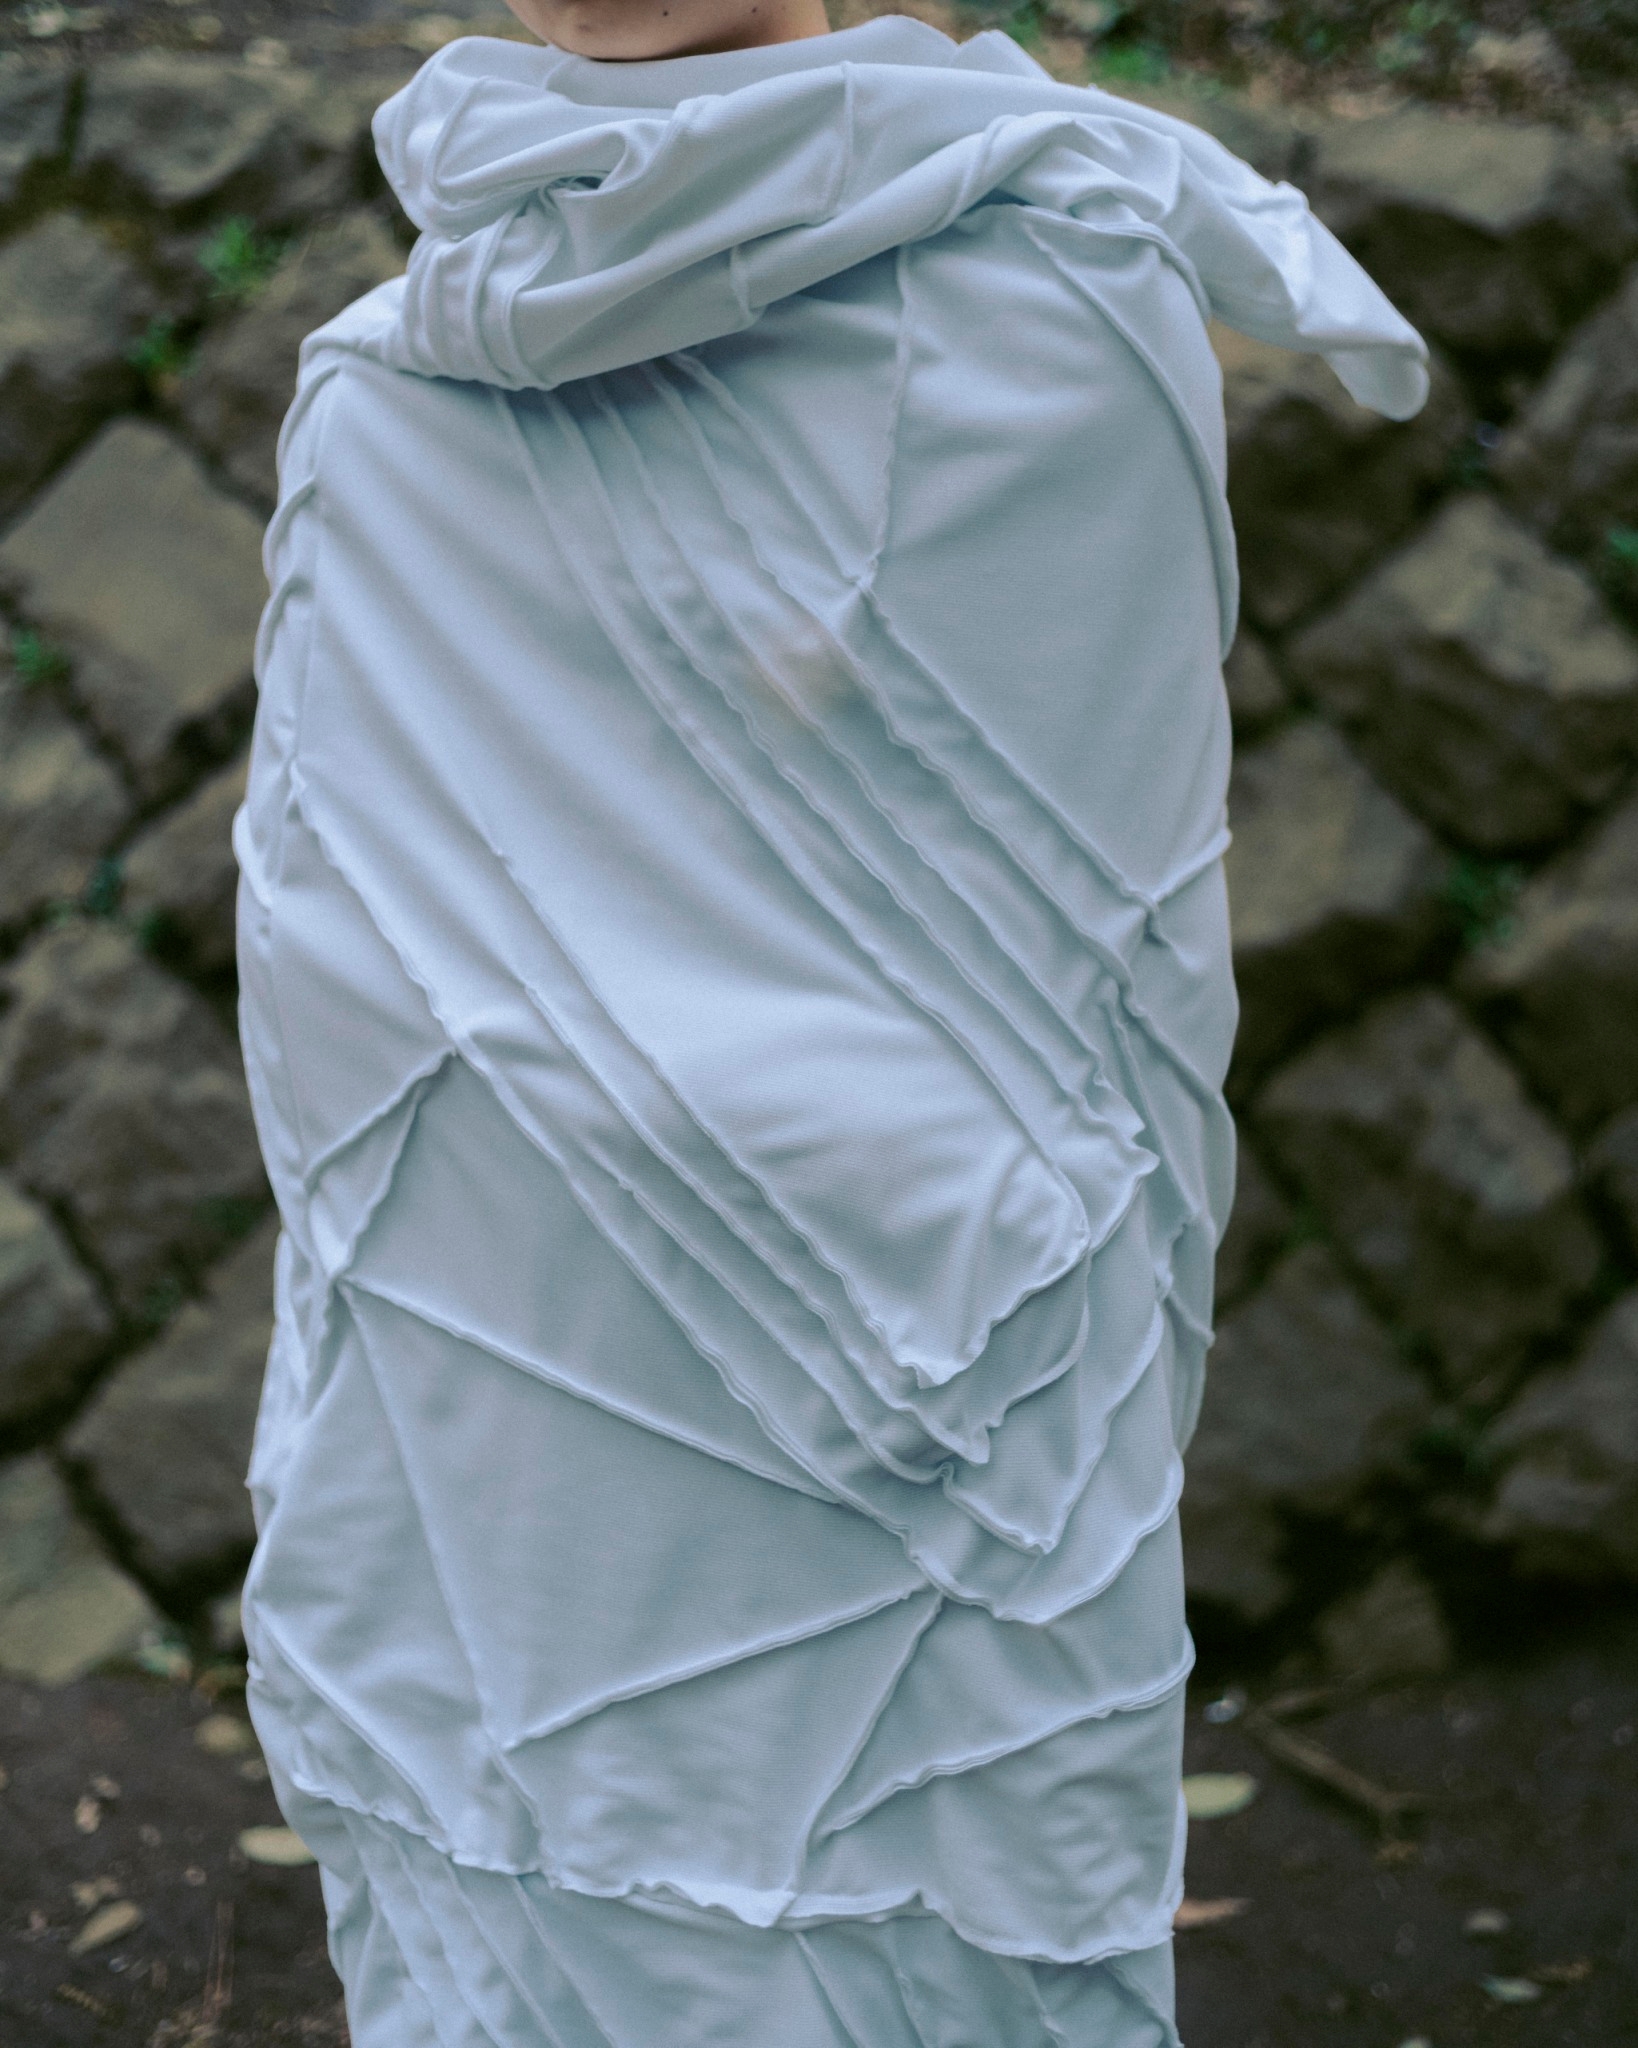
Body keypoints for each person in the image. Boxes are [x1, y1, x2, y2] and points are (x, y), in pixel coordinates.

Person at [233, 1, 1427, 2039]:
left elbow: (1102, 917)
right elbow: (338, 957)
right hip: (544, 1331)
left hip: (931, 1350)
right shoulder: (385, 391)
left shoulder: (1065, 287)